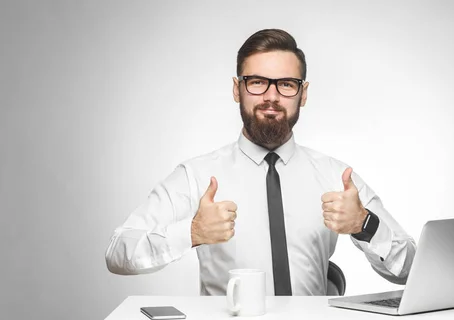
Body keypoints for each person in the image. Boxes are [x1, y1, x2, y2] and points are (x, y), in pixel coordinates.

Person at [105, 28, 417, 296]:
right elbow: (119, 252)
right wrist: (192, 232)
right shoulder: (196, 176)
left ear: (302, 94)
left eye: (286, 84)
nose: (271, 96)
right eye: (256, 82)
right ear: (236, 89)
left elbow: (410, 270)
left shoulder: (337, 177)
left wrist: (365, 224)